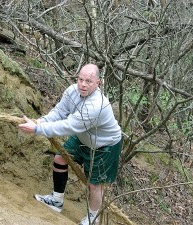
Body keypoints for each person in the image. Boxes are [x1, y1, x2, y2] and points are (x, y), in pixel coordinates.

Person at [18, 63, 122, 225]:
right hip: (83, 137)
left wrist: (37, 129)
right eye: (80, 79)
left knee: (95, 185)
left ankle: (92, 218)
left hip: (105, 146)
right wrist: (40, 121)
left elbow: (68, 126)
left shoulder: (96, 105)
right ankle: (56, 200)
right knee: (60, 158)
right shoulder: (72, 91)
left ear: (97, 83)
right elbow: (59, 112)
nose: (83, 84)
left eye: (88, 81)